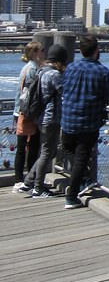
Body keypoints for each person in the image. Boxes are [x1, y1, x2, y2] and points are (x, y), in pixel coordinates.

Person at [61, 34, 109, 209]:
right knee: (81, 158)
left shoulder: (70, 68)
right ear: (96, 51)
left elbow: (64, 90)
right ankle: (72, 196)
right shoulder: (103, 72)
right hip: (89, 122)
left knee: (68, 149)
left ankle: (84, 178)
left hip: (68, 120)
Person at [16, 44, 68, 198]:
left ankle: (28, 181)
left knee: (47, 151)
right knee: (47, 152)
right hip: (51, 118)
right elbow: (65, 92)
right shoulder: (54, 75)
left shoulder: (41, 71)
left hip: (40, 117)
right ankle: (38, 188)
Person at [12, 41, 45, 191]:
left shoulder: (30, 67)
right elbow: (32, 93)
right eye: (42, 50)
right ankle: (22, 180)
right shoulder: (32, 69)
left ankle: (23, 179)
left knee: (27, 146)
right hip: (27, 113)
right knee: (28, 147)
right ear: (34, 53)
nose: (44, 53)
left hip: (23, 111)